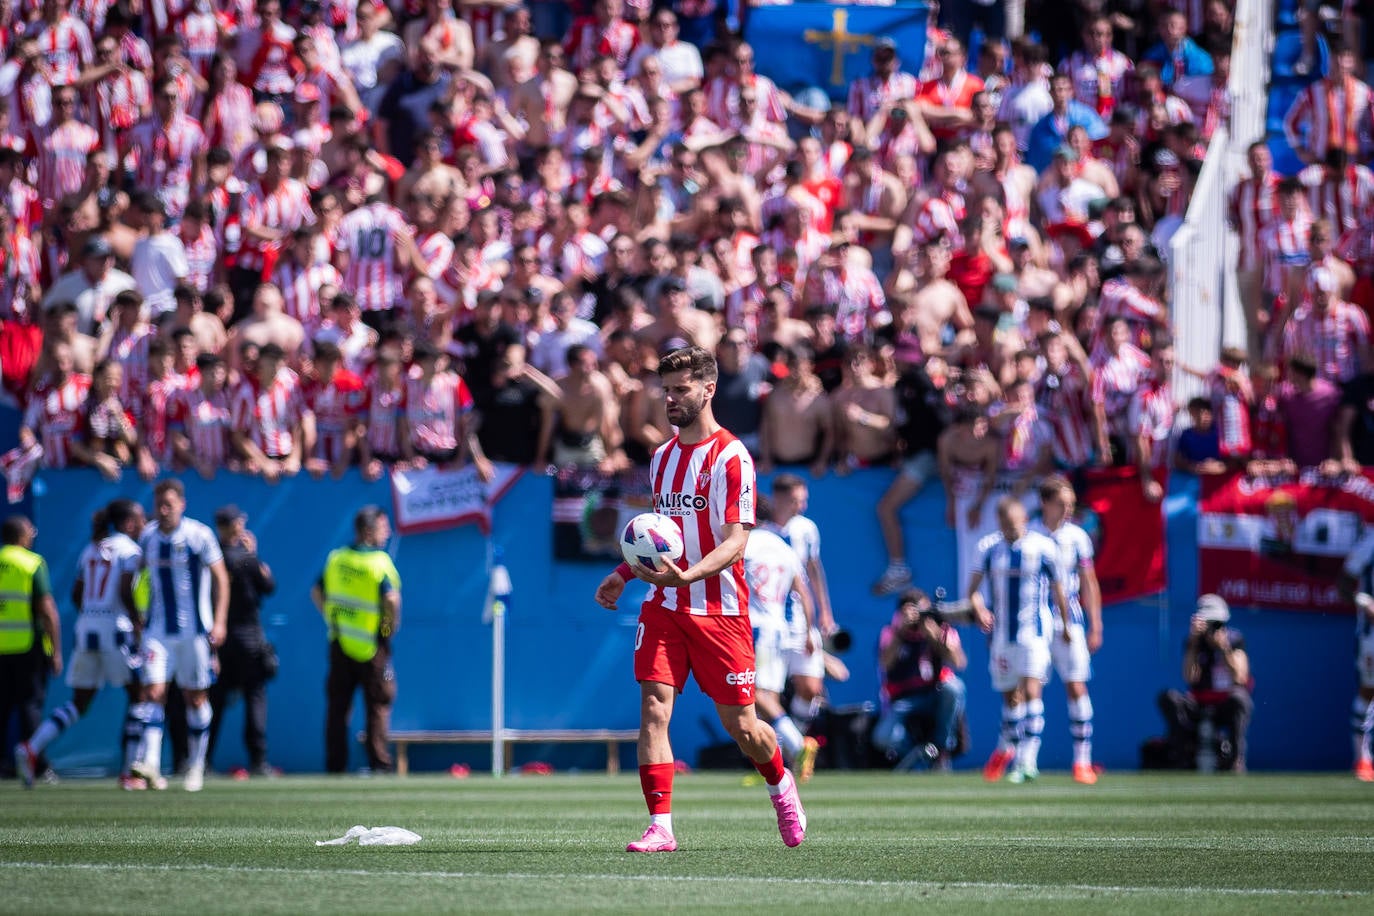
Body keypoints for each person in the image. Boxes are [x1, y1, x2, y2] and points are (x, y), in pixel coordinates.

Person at [594, 345, 807, 853]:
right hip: (664, 606)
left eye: (680, 390)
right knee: (654, 707)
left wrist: (688, 576)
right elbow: (662, 538)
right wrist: (625, 573)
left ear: (708, 390)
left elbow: (736, 539)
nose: (670, 399)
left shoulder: (733, 456)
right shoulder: (662, 458)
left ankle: (782, 788)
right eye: (665, 391)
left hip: (721, 611)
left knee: (744, 726)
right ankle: (660, 826)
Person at [15, 501, 144, 789]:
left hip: (88, 628)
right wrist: (137, 620)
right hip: (116, 629)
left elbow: (77, 593)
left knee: (79, 702)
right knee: (141, 696)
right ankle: (129, 773)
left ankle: (32, 747)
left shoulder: (91, 549)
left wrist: (92, 612)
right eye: (140, 519)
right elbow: (125, 589)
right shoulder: (130, 550)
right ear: (129, 523)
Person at [129, 480, 229, 792]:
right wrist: (137, 616)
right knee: (154, 692)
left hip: (195, 632)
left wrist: (220, 621)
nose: (163, 510)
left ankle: (196, 765)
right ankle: (152, 765)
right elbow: (134, 577)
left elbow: (221, 578)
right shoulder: (147, 537)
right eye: (159, 503)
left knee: (195, 698)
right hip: (158, 631)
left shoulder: (199, 535)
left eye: (169, 504)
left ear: (182, 505)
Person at [968, 497, 1070, 784]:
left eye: (1013, 524)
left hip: (1034, 634)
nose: (1009, 530)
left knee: (1032, 689)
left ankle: (1028, 760)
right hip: (1001, 636)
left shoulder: (1043, 548)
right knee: (1010, 697)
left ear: (1024, 519)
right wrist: (979, 609)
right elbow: (972, 590)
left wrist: (1065, 624)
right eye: (1004, 525)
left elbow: (1058, 589)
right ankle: (1007, 748)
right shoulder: (988, 547)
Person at [313, 506, 401, 774]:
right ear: (368, 531)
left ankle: (335, 766)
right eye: (382, 527)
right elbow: (391, 600)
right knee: (378, 704)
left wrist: (333, 619)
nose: (386, 533)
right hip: (373, 645)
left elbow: (317, 591)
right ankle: (379, 764)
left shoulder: (337, 559)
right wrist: (388, 629)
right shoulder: (379, 562)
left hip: (340, 642)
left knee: (338, 708)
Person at [743, 499, 819, 782]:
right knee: (768, 699)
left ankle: (799, 745)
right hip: (779, 628)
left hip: (754, 627)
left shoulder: (746, 544)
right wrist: (809, 631)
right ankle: (773, 768)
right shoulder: (784, 549)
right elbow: (803, 594)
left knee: (754, 695)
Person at [1034, 475, 1104, 785]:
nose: (1067, 511)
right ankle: (1025, 760)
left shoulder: (1078, 537)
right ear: (1045, 504)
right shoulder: (1029, 535)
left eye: (1071, 506)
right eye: (1062, 504)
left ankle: (1082, 761)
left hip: (1069, 621)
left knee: (1076, 686)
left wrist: (1095, 624)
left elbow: (1089, 582)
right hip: (1034, 622)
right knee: (1029, 688)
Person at [207, 505, 277, 777]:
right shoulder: (244, 557)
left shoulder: (212, 556)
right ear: (232, 526)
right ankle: (258, 761)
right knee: (255, 697)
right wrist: (254, 556)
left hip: (219, 637)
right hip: (247, 636)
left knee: (215, 701)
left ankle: (202, 759)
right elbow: (269, 586)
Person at [771, 473, 839, 741]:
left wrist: (825, 611)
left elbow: (814, 569)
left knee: (811, 686)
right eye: (797, 500)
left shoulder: (806, 529)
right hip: (770, 619)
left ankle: (792, 745)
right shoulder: (759, 530)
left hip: (801, 618)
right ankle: (772, 755)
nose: (802, 506)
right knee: (766, 691)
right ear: (780, 498)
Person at [873, 588, 967, 771]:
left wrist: (934, 636)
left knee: (954, 688)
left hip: (934, 695)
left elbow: (958, 662)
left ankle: (941, 749)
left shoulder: (941, 628)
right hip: (904, 700)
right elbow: (884, 664)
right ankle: (921, 756)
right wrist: (902, 632)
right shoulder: (891, 632)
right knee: (883, 737)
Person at [1157, 595, 1253, 773]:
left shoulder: (1235, 640)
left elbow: (1240, 677)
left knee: (1240, 699)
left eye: (1216, 623)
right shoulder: (1194, 642)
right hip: (1199, 702)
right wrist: (1193, 644)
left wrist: (1223, 648)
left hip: (1225, 703)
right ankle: (1182, 756)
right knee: (1169, 698)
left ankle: (1235, 761)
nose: (1211, 628)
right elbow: (1189, 677)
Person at [2, 516, 61, 788]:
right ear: (22, 536)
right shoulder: (31, 563)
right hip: (28, 645)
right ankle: (36, 764)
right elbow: (47, 609)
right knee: (30, 706)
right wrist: (56, 650)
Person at [1336, 536, 1374, 781]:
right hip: (1371, 634)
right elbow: (1343, 585)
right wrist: (1366, 602)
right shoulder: (1370, 543)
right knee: (1368, 691)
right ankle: (1362, 759)